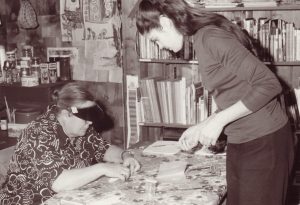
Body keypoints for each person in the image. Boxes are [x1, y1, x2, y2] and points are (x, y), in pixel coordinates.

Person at [135, 0, 294, 204]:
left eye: (156, 39)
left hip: (264, 142)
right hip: (243, 139)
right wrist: (204, 124)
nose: (161, 47)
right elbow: (236, 91)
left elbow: (269, 84)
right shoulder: (201, 38)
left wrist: (218, 122)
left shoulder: (210, 37)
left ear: (165, 23)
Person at [0, 82, 141, 205]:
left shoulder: (80, 128)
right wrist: (102, 168)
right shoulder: (38, 134)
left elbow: (103, 149)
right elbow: (59, 183)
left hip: (69, 197)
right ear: (66, 114)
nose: (90, 122)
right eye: (85, 117)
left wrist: (125, 155)